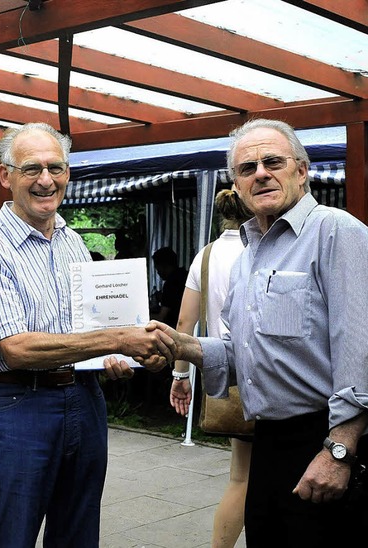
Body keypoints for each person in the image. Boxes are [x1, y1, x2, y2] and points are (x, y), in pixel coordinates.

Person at [146, 118, 368, 547]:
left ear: (301, 171)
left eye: (273, 162)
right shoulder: (249, 255)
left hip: (325, 441)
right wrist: (181, 345)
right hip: (267, 441)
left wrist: (339, 449)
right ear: (237, 184)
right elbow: (242, 352)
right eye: (248, 168)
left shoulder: (337, 233)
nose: (260, 173)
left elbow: (360, 351)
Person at [0, 122, 170, 547]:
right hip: (18, 407)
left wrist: (117, 360)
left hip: (84, 400)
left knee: (78, 535)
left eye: (57, 167)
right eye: (31, 168)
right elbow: (16, 349)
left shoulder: (72, 241)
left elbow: (85, 335)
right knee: (12, 537)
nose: (46, 180)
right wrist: (117, 341)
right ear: (6, 175)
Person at [170, 188, 253, 548]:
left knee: (240, 478)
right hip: (272, 376)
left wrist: (180, 376)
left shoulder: (206, 255)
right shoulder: (265, 246)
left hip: (227, 379)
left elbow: (184, 324)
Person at [150, 246, 187, 327]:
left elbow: (161, 318)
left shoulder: (171, 284)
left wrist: (145, 317)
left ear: (164, 266)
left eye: (157, 269)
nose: (158, 273)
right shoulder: (184, 275)